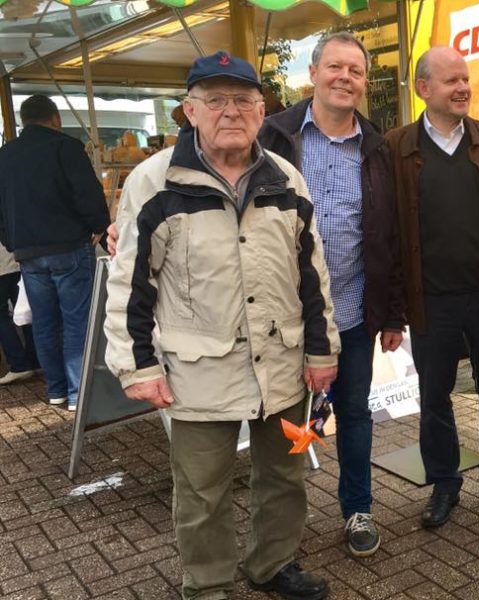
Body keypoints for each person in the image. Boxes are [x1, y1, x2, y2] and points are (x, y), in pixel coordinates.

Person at [104, 51, 340, 600]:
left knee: (283, 477)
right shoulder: (154, 182)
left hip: (281, 364)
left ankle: (272, 564)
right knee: (202, 490)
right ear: (189, 110)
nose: (230, 111)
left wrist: (322, 353)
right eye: (215, 100)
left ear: (262, 111)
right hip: (197, 371)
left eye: (243, 100)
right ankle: (207, 585)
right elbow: (129, 285)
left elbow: (312, 273)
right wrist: (136, 366)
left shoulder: (285, 179)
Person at [258, 32, 404, 558]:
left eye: (356, 71)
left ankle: (357, 510)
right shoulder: (272, 136)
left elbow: (391, 234)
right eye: (335, 67)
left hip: (355, 310)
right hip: (284, 316)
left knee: (356, 417)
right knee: (280, 422)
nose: (346, 78)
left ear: (365, 83)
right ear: (314, 73)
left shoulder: (377, 146)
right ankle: (279, 532)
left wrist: (392, 313)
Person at [385, 46, 479, 529]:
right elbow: (389, 230)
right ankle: (444, 486)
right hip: (430, 301)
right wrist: (394, 305)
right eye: (451, 80)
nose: (463, 88)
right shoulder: (397, 147)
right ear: (423, 88)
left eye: (466, 79)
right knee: (434, 400)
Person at [0, 94, 110, 410]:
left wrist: (11, 242)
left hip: (28, 251)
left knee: (44, 322)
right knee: (77, 321)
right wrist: (100, 228)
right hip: (69, 245)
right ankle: (78, 393)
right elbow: (87, 193)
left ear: (23, 121)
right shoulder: (66, 147)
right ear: (55, 118)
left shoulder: (4, 156)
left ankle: (57, 390)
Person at [0, 241, 39, 384]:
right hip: (17, 258)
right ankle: (36, 360)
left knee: (2, 315)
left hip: (3, 264)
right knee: (25, 311)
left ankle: (19, 364)